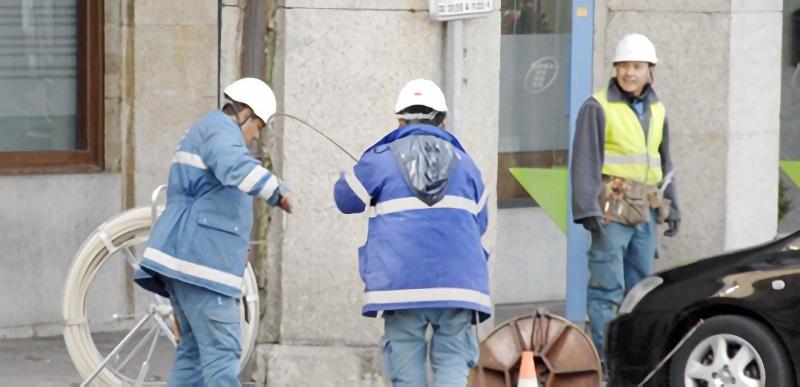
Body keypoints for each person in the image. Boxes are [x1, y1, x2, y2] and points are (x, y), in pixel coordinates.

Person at [133, 77, 293, 386]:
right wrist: (276, 190)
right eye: (257, 125)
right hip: (202, 264)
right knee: (222, 351)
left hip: (188, 260)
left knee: (192, 354)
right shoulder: (221, 130)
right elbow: (234, 167)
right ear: (243, 112)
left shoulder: (208, 130)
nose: (256, 136)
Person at [333, 79, 491, 386]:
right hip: (459, 285)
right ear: (442, 122)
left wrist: (347, 174)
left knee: (405, 369)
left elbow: (346, 200)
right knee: (452, 366)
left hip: (401, 283)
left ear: (400, 121)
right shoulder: (467, 165)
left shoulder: (380, 158)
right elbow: (479, 224)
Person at [570, 34, 681, 362]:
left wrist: (673, 204)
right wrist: (586, 208)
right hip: (610, 211)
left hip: (645, 209)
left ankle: (635, 362)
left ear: (650, 71)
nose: (629, 73)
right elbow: (585, 160)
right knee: (607, 290)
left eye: (636, 66)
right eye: (623, 66)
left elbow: (665, 160)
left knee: (641, 290)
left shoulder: (657, 109)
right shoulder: (597, 106)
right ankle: (608, 362)